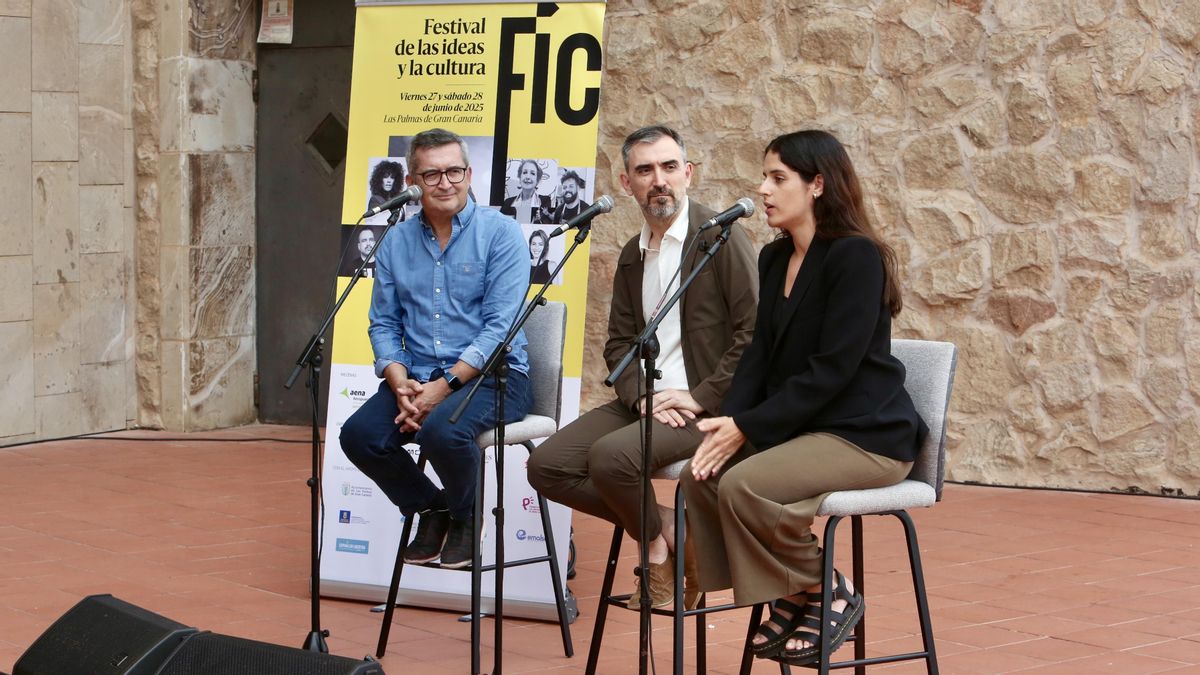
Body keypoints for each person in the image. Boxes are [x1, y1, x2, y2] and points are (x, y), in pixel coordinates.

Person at [680, 130, 927, 666]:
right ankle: (794, 595)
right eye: (764, 176)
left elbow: (833, 370)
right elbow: (759, 356)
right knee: (699, 478)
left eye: (777, 178)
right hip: (806, 427)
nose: (763, 189)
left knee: (744, 484)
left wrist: (748, 427)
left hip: (865, 433)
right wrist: (727, 422)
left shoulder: (856, 257)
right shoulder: (773, 259)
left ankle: (826, 590)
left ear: (817, 185)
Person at [527, 125, 759, 609]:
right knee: (547, 466)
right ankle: (668, 532)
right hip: (648, 401)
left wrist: (699, 396)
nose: (660, 180)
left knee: (613, 458)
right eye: (645, 170)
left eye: (670, 167)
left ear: (688, 174)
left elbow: (755, 334)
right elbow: (618, 344)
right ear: (627, 181)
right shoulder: (634, 254)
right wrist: (642, 397)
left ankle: (657, 555)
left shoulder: (719, 237)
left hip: (707, 405)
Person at [339, 128, 532, 569]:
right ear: (413, 180)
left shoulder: (500, 234)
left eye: (454, 171)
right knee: (361, 437)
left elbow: (500, 327)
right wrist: (399, 380)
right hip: (420, 375)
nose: (445, 183)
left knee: (442, 430)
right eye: (432, 175)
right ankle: (434, 507)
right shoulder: (395, 241)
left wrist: (441, 390)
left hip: (495, 377)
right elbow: (384, 323)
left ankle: (467, 516)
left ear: (469, 173)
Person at [500, 159, 554, 223]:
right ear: (520, 177)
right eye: (525, 172)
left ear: (537, 180)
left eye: (532, 173)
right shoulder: (508, 202)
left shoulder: (546, 200)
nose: (528, 177)